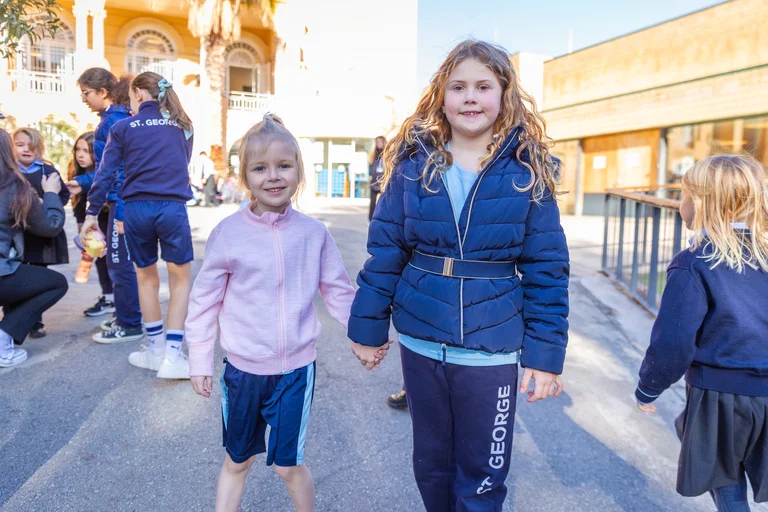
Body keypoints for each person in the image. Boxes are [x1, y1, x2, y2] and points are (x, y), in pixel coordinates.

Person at [347, 40, 569, 511]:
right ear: (441, 97)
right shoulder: (413, 169)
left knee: (483, 476)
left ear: (504, 95)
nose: (471, 97)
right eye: (459, 86)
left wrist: (545, 357)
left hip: (492, 354)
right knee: (431, 465)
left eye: (483, 86)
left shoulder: (527, 175)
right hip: (423, 345)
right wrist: (367, 329)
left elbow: (548, 270)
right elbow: (385, 251)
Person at [185, 114, 391, 512]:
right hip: (243, 371)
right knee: (237, 461)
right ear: (245, 177)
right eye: (260, 168)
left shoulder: (314, 234)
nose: (274, 176)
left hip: (296, 371)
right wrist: (198, 360)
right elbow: (204, 302)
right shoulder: (228, 235)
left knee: (288, 466)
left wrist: (365, 337)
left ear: (299, 171)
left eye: (284, 165)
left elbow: (338, 290)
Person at [635, 154, 768, 511]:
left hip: (720, 395)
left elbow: (673, 343)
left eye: (684, 195)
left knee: (724, 478)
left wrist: (648, 388)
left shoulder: (694, 262)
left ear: (701, 203)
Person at [81, 71, 195, 378]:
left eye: (131, 97)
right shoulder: (183, 125)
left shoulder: (122, 127)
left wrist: (92, 213)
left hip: (135, 209)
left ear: (139, 94)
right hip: (171, 208)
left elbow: (105, 173)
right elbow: (180, 164)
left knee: (146, 279)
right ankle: (174, 356)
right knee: (180, 280)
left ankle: (154, 351)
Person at [69, 67, 143, 339]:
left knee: (119, 264)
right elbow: (106, 170)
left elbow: (115, 172)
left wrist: (109, 210)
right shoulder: (119, 117)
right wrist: (84, 183)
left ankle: (129, 324)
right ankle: (126, 316)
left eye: (86, 93)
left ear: (102, 92)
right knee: (119, 263)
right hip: (122, 201)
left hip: (121, 203)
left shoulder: (112, 122)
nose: (85, 99)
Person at [0, 128, 68, 367]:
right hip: (3, 271)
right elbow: (51, 225)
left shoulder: (42, 171)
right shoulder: (14, 187)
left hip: (18, 259)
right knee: (56, 283)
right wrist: (50, 194)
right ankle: (5, 335)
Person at [68, 132, 115, 317]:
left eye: (86, 151)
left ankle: (118, 299)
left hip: (109, 215)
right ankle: (109, 297)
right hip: (92, 223)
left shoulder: (103, 173)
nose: (81, 155)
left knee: (112, 260)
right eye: (78, 150)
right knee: (99, 259)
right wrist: (81, 225)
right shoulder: (77, 173)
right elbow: (78, 203)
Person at [368, 136, 386, 222]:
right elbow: (370, 167)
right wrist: (369, 177)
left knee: (383, 202)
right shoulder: (373, 155)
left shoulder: (387, 154)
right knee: (372, 203)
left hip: (383, 181)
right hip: (374, 181)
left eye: (380, 141)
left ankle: (383, 218)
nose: (378, 143)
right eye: (377, 142)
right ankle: (370, 220)